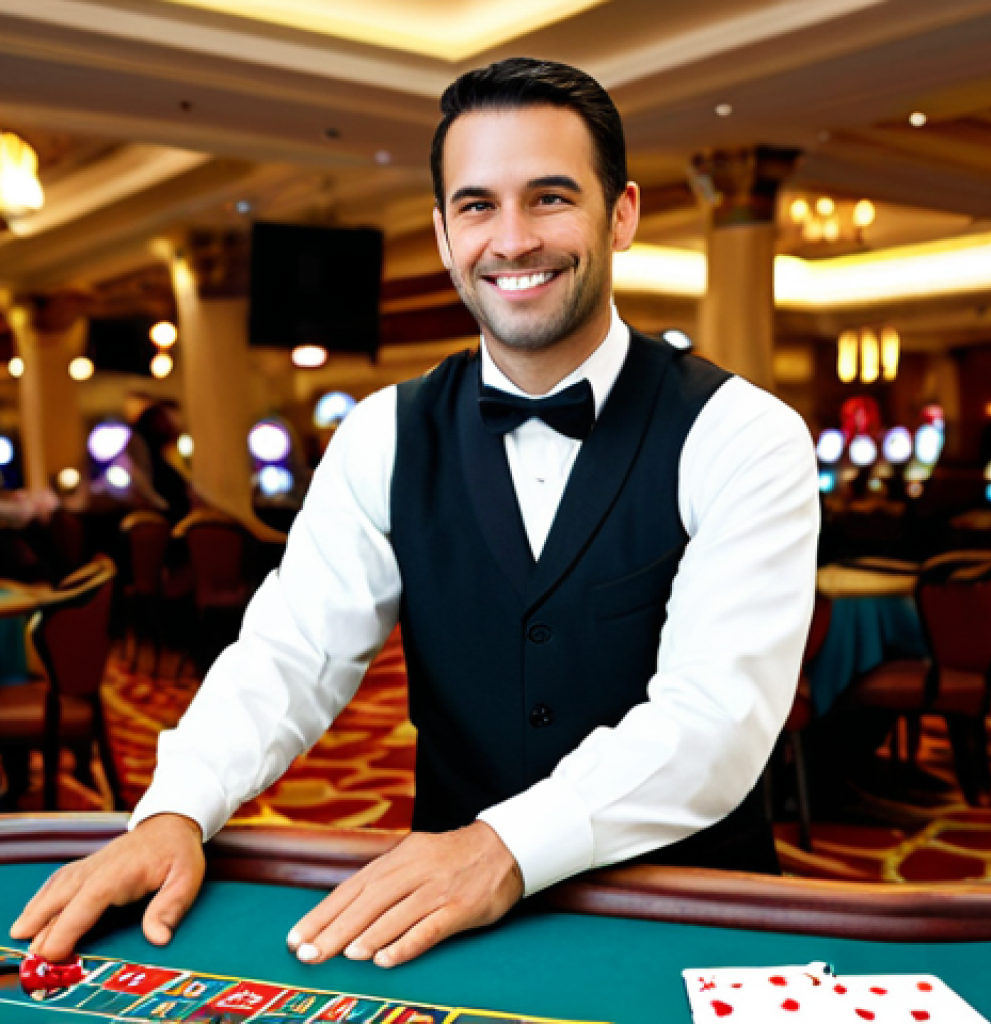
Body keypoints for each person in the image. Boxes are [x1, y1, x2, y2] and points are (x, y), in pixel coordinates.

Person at [11, 57, 819, 972]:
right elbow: (291, 651)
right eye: (477, 206)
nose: (512, 239)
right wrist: (175, 806)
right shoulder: (381, 435)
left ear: (621, 213)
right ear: (441, 235)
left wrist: (503, 847)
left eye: (550, 197)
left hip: (685, 913)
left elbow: (716, 721)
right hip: (445, 927)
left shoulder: (744, 433)